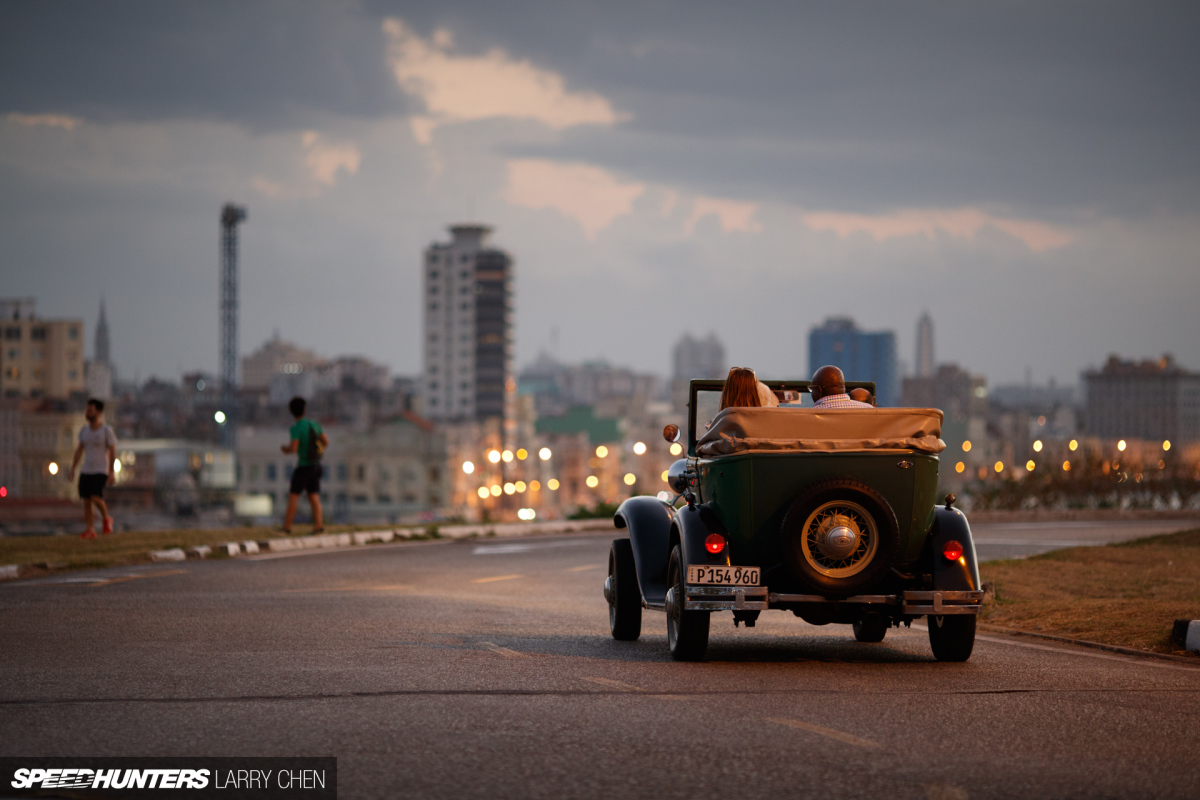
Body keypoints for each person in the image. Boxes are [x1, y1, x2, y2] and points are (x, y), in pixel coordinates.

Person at [68, 397, 117, 539]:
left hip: (100, 470)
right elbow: (79, 450)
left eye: (91, 410)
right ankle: (90, 529)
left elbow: (113, 451)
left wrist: (112, 471)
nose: (88, 413)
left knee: (96, 497)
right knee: (87, 500)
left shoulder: (106, 431)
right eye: (87, 410)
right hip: (86, 470)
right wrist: (73, 468)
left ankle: (106, 518)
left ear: (98, 412)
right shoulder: (84, 431)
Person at [281, 396, 328, 534]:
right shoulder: (313, 424)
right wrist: (317, 450)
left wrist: (286, 449)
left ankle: (287, 527)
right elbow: (325, 441)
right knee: (314, 497)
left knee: (293, 496)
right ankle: (319, 526)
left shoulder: (296, 428)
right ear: (304, 409)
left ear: (291, 411)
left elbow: (294, 448)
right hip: (316, 466)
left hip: (303, 467)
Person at [809, 365, 874, 409]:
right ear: (842, 387)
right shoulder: (869, 409)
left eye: (812, 389)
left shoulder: (808, 415)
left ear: (819, 390)